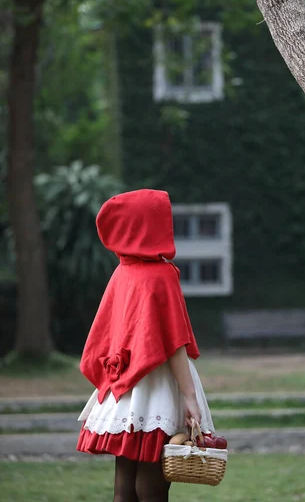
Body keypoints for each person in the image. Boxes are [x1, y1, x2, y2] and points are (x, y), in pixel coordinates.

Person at [76, 189, 215, 502]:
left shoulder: (122, 274)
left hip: (124, 392)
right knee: (153, 487)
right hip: (159, 390)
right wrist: (190, 398)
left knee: (123, 488)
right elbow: (174, 343)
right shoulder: (162, 275)